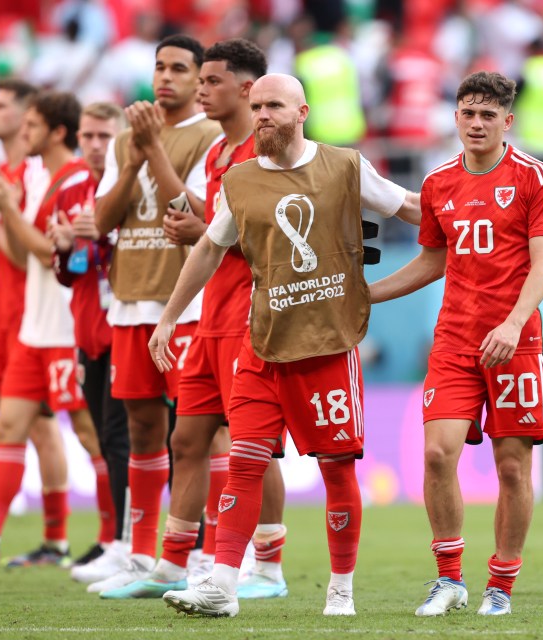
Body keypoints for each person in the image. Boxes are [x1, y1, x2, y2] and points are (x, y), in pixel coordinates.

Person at [150, 73, 420, 618]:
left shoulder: (344, 166)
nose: (263, 115)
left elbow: (410, 208)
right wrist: (169, 317)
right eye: (257, 107)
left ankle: (341, 588)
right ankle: (222, 585)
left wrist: (470, 217)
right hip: (262, 345)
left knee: (337, 471)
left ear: (303, 112)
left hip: (327, 347)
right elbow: (207, 249)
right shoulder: (241, 179)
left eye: (274, 105)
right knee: (245, 462)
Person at [100, 38, 291, 601]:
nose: (200, 90)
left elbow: (262, 234)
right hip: (208, 316)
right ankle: (172, 562)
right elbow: (214, 230)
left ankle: (269, 568)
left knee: (251, 442)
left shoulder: (261, 153)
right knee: (186, 439)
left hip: (248, 317)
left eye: (210, 81)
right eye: (199, 80)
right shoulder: (217, 156)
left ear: (247, 89)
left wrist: (201, 229)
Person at [370, 71, 543, 617]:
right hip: (455, 340)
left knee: (510, 468)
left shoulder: (534, 177)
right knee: (437, 455)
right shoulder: (437, 183)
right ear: (456, 117)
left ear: (508, 121)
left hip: (517, 342)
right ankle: (449, 578)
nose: (476, 123)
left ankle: (500, 584)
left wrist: (512, 323)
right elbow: (435, 260)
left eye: (488, 114)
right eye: (467, 113)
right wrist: (370, 295)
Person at [0, 91, 103, 568]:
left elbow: (33, 255)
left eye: (6, 108)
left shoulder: (39, 176)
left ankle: (79, 539)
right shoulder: (13, 176)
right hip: (12, 323)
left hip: (50, 324)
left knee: (58, 431)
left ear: (43, 125)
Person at [86, 34, 222, 594]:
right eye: (159, 67)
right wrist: (134, 157)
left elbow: (194, 213)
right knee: (143, 428)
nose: (165, 77)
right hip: (129, 302)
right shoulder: (126, 140)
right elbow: (102, 221)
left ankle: (210, 556)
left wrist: (156, 151)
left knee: (201, 432)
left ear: (198, 79)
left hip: (185, 307)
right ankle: (141, 557)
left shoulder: (210, 136)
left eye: (179, 69)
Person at [47, 101, 133, 579]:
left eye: (105, 136)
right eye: (88, 137)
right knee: (105, 438)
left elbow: (147, 253)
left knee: (132, 437)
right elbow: (67, 274)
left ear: (119, 136)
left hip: (129, 324)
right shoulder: (72, 188)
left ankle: (129, 544)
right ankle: (119, 542)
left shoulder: (132, 182)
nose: (96, 145)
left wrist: (102, 236)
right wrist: (63, 249)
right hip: (88, 329)